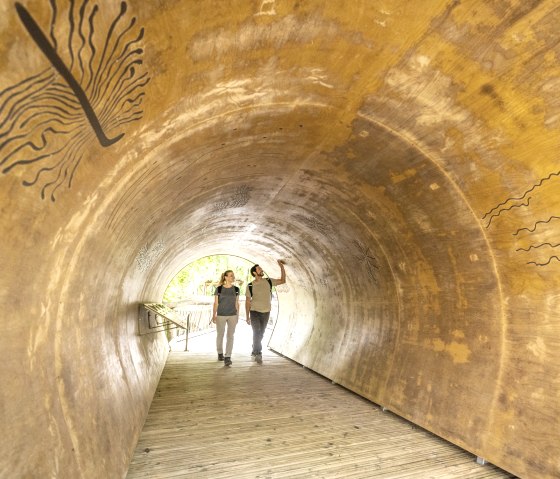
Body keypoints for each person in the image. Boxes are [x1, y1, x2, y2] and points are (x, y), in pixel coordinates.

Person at [245, 259, 286, 364]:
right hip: (254, 312)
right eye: (259, 269)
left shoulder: (268, 281)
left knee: (261, 333)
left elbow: (282, 280)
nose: (261, 269)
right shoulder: (250, 285)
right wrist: (247, 316)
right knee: (256, 332)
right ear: (255, 272)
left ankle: (255, 347)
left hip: (266, 312)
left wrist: (281, 267)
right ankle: (258, 353)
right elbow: (248, 302)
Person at [212, 270, 240, 367]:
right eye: (231, 276)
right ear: (226, 277)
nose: (233, 277)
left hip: (232, 315)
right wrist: (214, 315)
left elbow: (237, 303)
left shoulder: (236, 289)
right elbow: (216, 303)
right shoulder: (219, 289)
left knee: (230, 336)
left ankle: (228, 357)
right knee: (220, 335)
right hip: (221, 315)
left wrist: (237, 315)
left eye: (233, 276)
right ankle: (220, 353)